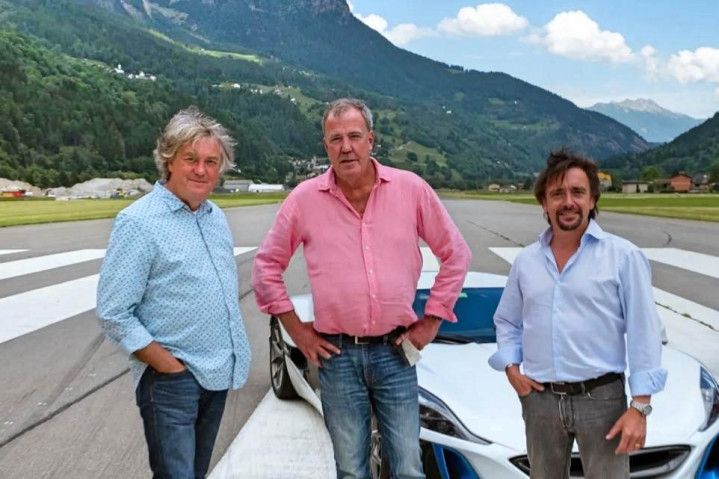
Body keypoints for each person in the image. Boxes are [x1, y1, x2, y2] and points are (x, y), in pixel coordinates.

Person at [252, 98, 471, 478]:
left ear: (371, 139)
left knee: (407, 467)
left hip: (396, 352)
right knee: (351, 470)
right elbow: (265, 267)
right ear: (325, 146)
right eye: (335, 139)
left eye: (354, 136)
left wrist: (432, 320)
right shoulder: (304, 200)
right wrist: (298, 333)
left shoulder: (410, 189)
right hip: (337, 356)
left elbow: (457, 254)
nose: (346, 147)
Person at [489, 148, 667, 478]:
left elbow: (644, 331)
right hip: (540, 400)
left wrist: (640, 406)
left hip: (602, 400)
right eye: (557, 193)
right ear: (544, 203)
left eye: (577, 192)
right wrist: (512, 368)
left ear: (592, 199)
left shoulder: (623, 257)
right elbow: (507, 320)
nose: (568, 202)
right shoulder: (526, 262)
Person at [96, 107, 251, 479]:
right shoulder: (138, 222)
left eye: (211, 162)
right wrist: (169, 367)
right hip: (172, 381)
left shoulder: (215, 218)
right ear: (169, 161)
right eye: (191, 159)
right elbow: (114, 313)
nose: (201, 170)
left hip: (217, 375)